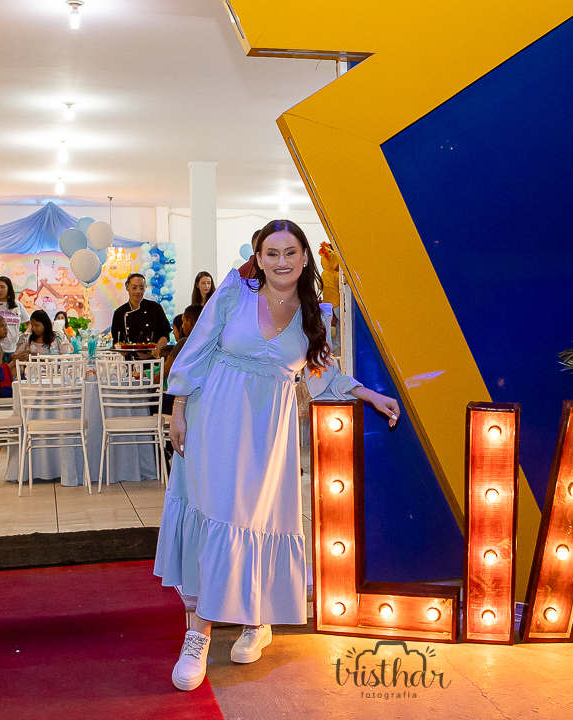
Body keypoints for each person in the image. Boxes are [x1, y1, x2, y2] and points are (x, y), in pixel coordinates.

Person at [156, 219, 399, 691]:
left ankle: (256, 620)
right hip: (214, 418)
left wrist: (369, 394)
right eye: (272, 253)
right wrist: (178, 409)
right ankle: (198, 635)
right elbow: (197, 349)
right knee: (218, 516)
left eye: (290, 252)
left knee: (256, 519)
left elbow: (322, 373)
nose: (281, 261)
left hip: (268, 431)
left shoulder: (315, 314)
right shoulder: (234, 293)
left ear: (305, 258)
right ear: (259, 258)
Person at [110, 273, 171, 359]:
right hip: (130, 360)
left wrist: (153, 353)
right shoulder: (119, 313)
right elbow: (116, 340)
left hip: (153, 360)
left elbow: (165, 334)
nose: (138, 291)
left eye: (141, 288)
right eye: (134, 288)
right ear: (127, 288)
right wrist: (121, 349)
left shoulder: (155, 308)